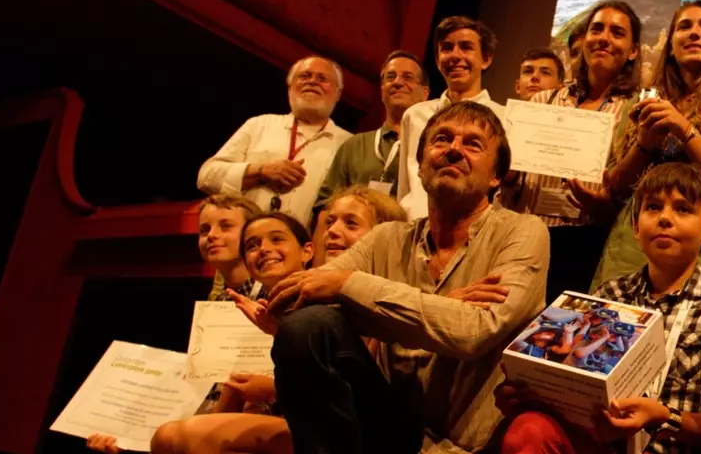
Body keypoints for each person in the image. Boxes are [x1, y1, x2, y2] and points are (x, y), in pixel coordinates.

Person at [266, 101, 549, 454]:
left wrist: (349, 286)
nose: (454, 150)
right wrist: (442, 307)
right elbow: (296, 299)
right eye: (441, 139)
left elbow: (473, 333)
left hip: (465, 446)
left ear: (496, 176)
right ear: (420, 165)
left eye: (473, 144)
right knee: (308, 328)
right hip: (386, 427)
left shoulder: (523, 232)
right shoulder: (387, 238)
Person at [497, 163, 701, 454]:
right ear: (636, 228)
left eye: (683, 209)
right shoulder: (610, 294)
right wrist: (531, 391)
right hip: (601, 442)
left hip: (669, 446)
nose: (665, 218)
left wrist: (662, 415)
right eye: (653, 207)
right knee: (528, 428)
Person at [592, 0, 701, 288]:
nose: (695, 33)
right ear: (670, 45)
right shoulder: (640, 103)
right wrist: (644, 144)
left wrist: (686, 132)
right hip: (634, 243)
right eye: (684, 26)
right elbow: (616, 187)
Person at [85, 195, 262, 454]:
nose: (211, 235)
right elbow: (202, 390)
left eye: (225, 226)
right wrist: (129, 435)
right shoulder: (216, 305)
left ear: (250, 235)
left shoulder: (267, 296)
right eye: (204, 230)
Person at [499, 0, 643, 299]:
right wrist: (509, 177)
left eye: (617, 32)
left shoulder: (636, 113)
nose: (604, 38)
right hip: (526, 239)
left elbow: (633, 195)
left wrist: (605, 206)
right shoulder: (542, 103)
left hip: (589, 245)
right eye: (597, 29)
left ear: (633, 50)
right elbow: (510, 191)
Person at [146, 211, 316, 454]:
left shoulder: (324, 305)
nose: (264, 249)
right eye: (253, 245)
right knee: (168, 438)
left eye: (276, 239)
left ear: (307, 251)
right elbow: (230, 393)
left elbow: (347, 386)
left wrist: (273, 388)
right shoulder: (255, 312)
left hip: (324, 425)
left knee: (172, 436)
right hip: (273, 423)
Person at [198, 56, 350, 226]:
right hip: (248, 244)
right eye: (304, 76)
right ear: (290, 88)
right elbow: (206, 176)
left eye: (322, 78)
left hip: (306, 247)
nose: (312, 82)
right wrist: (261, 171)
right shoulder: (258, 125)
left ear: (338, 94)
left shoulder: (349, 144)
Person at [398, 16, 509, 220]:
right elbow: (405, 187)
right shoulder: (414, 115)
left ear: (486, 59)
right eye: (447, 48)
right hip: (413, 230)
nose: (455, 56)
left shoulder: (505, 119)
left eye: (466, 47)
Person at [314, 51, 429, 210]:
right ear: (382, 91)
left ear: (425, 93)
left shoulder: (430, 148)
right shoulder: (354, 145)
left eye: (408, 77)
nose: (397, 82)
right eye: (390, 77)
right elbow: (325, 204)